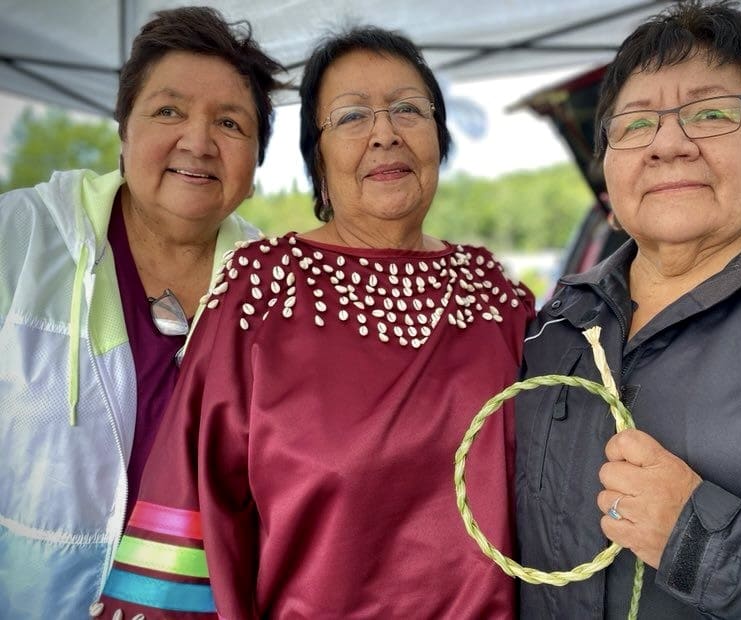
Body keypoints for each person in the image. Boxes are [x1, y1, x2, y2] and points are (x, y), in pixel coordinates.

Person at [94, 25, 535, 619]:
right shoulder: (260, 293)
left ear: (438, 137)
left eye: (408, 109)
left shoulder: (499, 299)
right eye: (352, 117)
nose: (385, 133)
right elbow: (192, 503)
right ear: (317, 158)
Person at [515, 1, 741, 618]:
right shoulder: (555, 327)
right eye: (634, 124)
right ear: (608, 168)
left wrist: (702, 542)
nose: (667, 144)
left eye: (711, 114)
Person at [0, 7, 285, 618]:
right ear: (123, 132)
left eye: (230, 123)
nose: (198, 141)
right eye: (168, 111)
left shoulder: (277, 294)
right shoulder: (19, 239)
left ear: (256, 163)